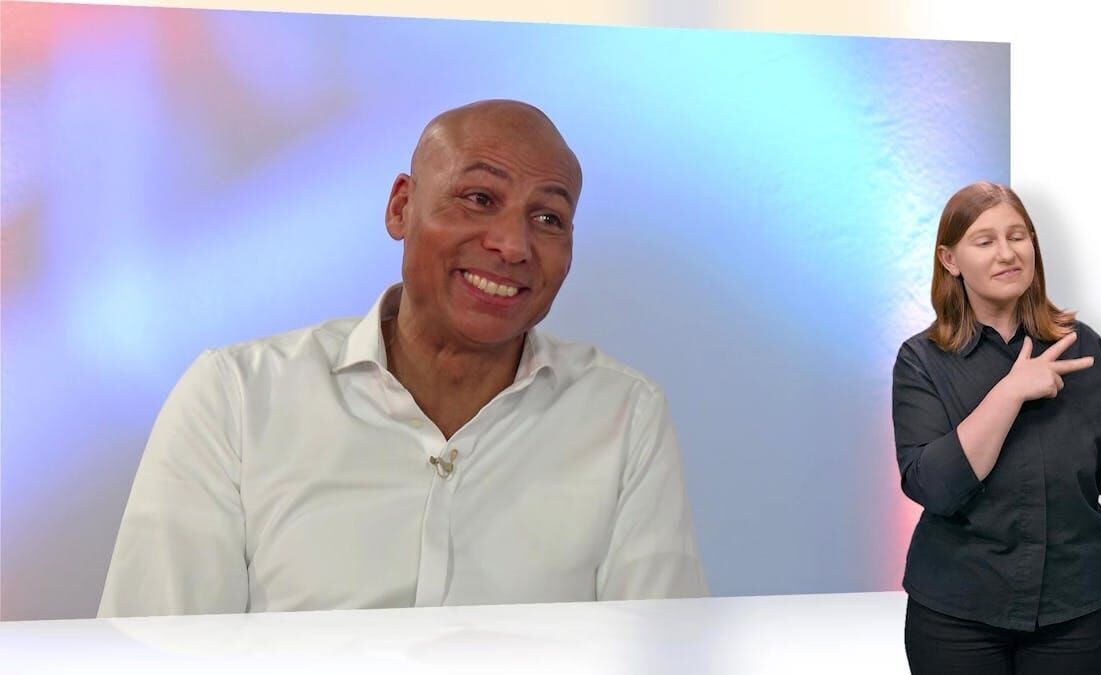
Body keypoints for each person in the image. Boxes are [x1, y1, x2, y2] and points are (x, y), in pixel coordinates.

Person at [98, 99, 707, 617]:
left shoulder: (622, 415)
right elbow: (154, 650)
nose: (512, 245)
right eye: (479, 198)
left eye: (548, 217)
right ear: (400, 208)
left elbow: (661, 652)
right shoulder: (237, 397)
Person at [892, 182, 1101, 674]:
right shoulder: (922, 360)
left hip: (1075, 611)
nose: (1007, 253)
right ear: (950, 259)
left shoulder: (1083, 346)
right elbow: (933, 487)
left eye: (1017, 236)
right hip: (957, 615)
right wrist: (1009, 392)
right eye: (985, 241)